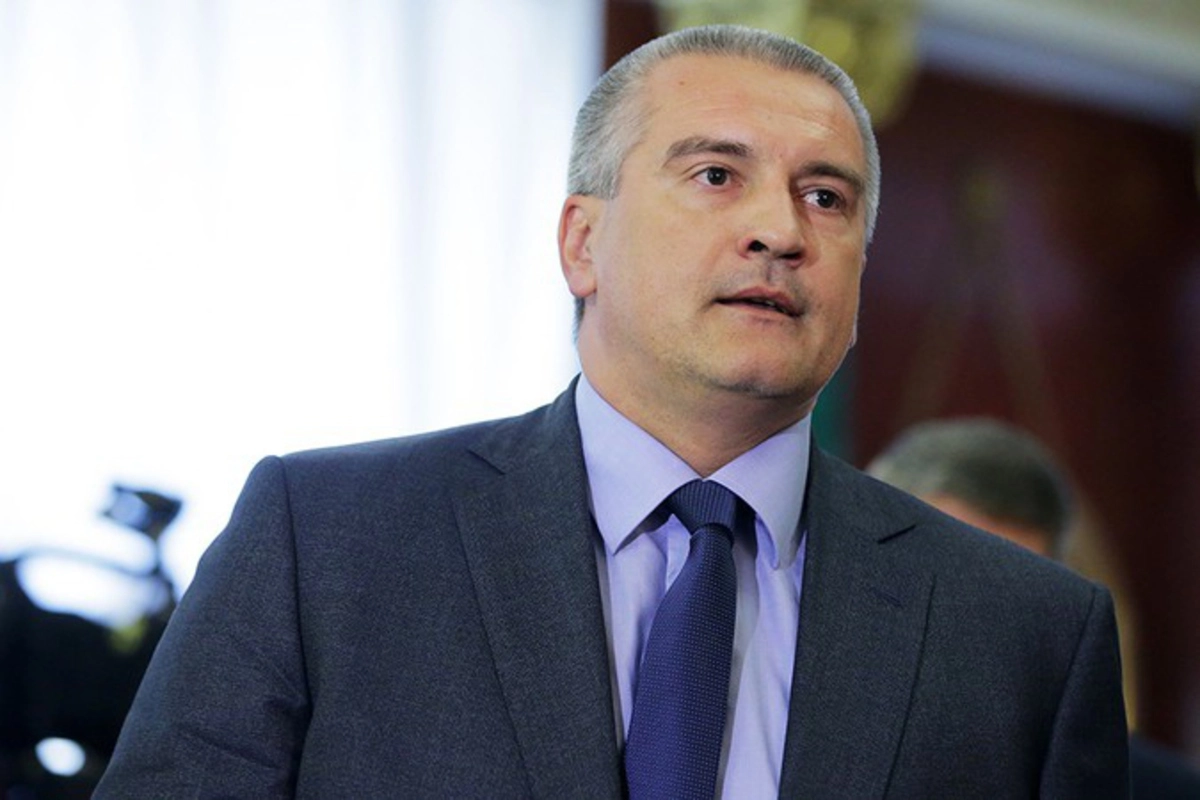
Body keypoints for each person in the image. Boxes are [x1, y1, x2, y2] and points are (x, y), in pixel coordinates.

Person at [96, 25, 1129, 798]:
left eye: (827, 197)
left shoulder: (1027, 632)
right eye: (717, 174)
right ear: (582, 243)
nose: (780, 230)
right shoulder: (324, 538)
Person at [868, 416, 1200, 800]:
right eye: (951, 591)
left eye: (1013, 601)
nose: (979, 639)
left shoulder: (1158, 790)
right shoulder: (813, 743)